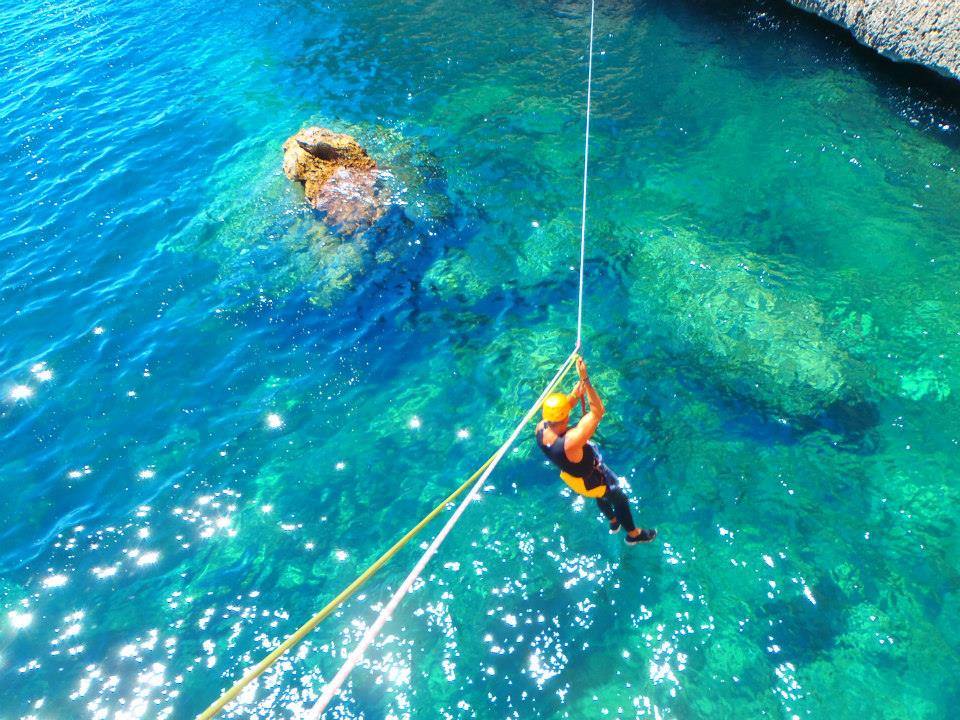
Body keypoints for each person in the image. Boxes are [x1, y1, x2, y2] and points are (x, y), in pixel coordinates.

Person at [535, 356, 656, 545]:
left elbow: (561, 412)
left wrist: (575, 396)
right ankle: (633, 535)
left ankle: (614, 521)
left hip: (573, 478)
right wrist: (585, 380)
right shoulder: (572, 441)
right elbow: (598, 411)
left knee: (602, 496)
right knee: (619, 498)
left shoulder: (541, 429)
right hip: (591, 479)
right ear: (566, 418)